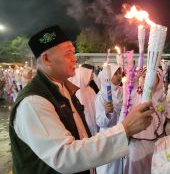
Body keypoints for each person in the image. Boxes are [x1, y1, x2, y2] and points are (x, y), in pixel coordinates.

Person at [9, 25, 153, 174]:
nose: (74, 58)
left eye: (73, 52)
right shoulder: (34, 102)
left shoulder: (64, 89)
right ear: (47, 59)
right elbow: (65, 156)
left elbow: (81, 137)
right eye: (68, 53)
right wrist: (125, 129)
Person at [120, 68, 169, 174]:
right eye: (145, 77)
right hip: (136, 144)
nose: (148, 81)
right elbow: (124, 118)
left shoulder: (161, 99)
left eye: (153, 79)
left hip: (155, 145)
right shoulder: (133, 95)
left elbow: (166, 118)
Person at [95, 63, 123, 174]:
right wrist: (106, 113)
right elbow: (99, 121)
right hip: (107, 136)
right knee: (108, 168)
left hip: (120, 134)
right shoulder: (101, 96)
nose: (119, 76)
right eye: (115, 74)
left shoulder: (123, 91)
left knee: (118, 167)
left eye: (120, 73)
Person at [69, 67, 99, 136]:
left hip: (94, 118)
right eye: (89, 77)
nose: (91, 79)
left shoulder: (90, 90)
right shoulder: (76, 93)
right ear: (83, 77)